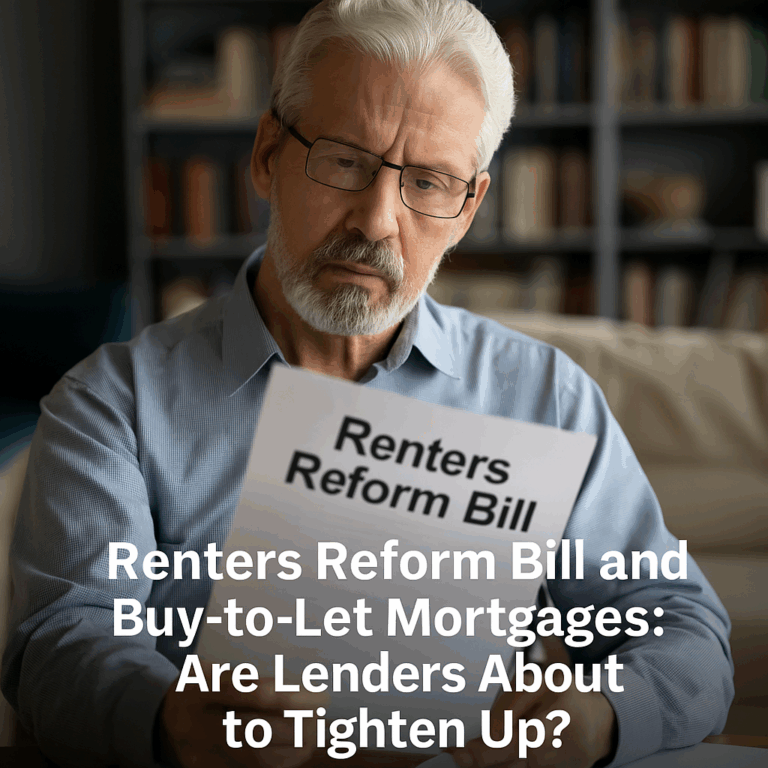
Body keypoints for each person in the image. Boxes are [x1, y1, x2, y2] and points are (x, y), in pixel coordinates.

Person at [2, 0, 733, 766]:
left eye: (428, 181)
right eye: (346, 161)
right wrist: (168, 722)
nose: (379, 220)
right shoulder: (112, 406)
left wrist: (603, 719)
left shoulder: (548, 397)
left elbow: (684, 630)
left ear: (468, 210)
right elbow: (58, 642)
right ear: (266, 156)